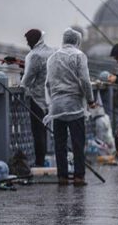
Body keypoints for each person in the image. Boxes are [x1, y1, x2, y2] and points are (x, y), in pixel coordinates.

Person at [44, 28, 95, 186]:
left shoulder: (52, 57)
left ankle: (63, 177)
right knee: (77, 142)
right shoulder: (79, 56)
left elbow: (47, 83)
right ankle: (79, 176)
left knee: (59, 143)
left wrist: (52, 101)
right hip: (74, 106)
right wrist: (91, 99)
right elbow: (85, 81)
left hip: (57, 107)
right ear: (77, 41)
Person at [20, 29, 55, 167]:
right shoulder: (51, 52)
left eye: (28, 41)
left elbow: (27, 80)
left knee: (38, 133)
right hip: (51, 98)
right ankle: (45, 160)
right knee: (46, 131)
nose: (27, 43)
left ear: (33, 40)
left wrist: (22, 84)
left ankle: (40, 163)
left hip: (37, 99)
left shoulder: (34, 55)